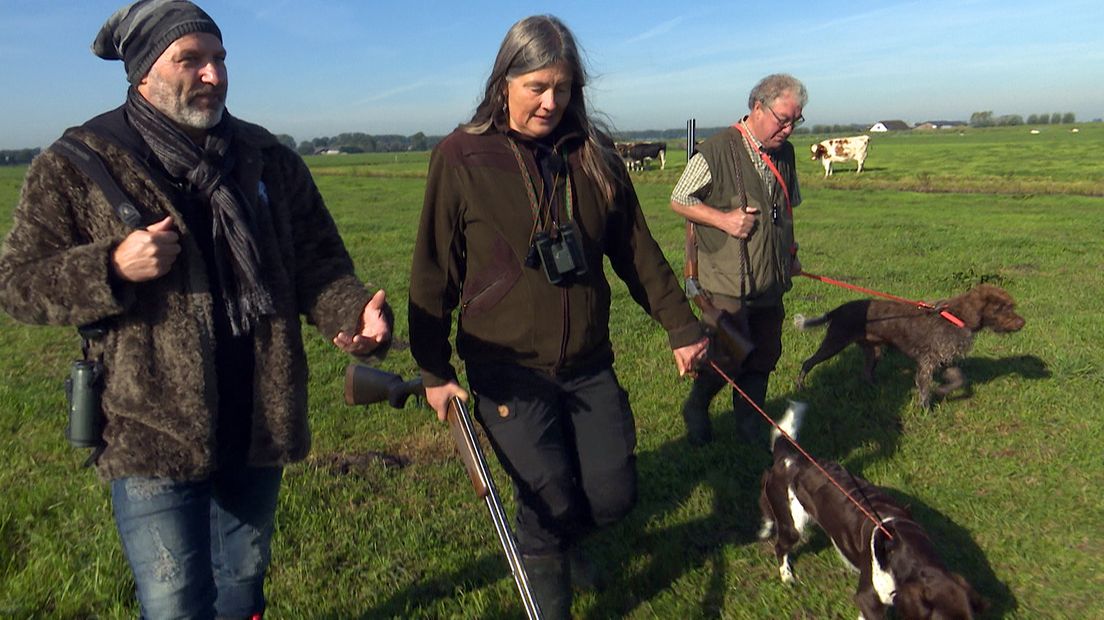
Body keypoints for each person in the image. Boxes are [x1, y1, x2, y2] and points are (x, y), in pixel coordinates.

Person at [0, 1, 392, 617]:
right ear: (142, 74)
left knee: (242, 584)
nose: (214, 74)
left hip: (259, 414)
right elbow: (16, 284)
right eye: (191, 60)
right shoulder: (79, 163)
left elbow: (319, 264)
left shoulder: (267, 158)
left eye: (219, 59)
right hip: (150, 427)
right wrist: (110, 266)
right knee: (175, 600)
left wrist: (353, 316)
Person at [408, 15, 707, 618]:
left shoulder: (595, 157)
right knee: (547, 499)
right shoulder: (461, 156)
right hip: (506, 369)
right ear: (505, 81)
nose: (551, 102)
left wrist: (682, 325)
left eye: (563, 88)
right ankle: (552, 593)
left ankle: (566, 544)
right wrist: (433, 367)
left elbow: (637, 251)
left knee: (613, 494)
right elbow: (433, 268)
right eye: (536, 87)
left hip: (589, 362)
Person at [669, 73, 806, 446]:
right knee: (727, 356)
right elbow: (680, 199)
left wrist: (791, 254)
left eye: (797, 120)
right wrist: (724, 219)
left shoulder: (786, 155)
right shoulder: (716, 149)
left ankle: (748, 427)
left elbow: (787, 211)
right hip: (726, 280)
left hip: (771, 279)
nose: (789, 129)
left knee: (764, 355)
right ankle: (696, 407)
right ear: (757, 107)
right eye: (783, 119)